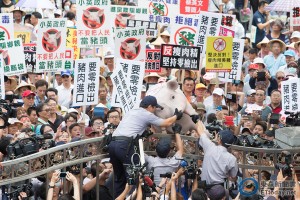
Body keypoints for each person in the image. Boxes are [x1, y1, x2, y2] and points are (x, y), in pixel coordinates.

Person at [108, 95, 183, 197]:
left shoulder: (132, 111)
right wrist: (176, 116)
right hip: (124, 146)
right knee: (134, 179)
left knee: (119, 179)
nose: (154, 111)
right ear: (150, 106)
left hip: (112, 144)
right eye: (154, 108)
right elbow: (166, 123)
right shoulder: (146, 114)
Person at [195, 121, 238, 188]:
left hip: (205, 187)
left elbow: (200, 130)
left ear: (219, 139)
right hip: (220, 190)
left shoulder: (210, 146)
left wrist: (197, 119)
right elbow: (234, 177)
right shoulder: (232, 158)